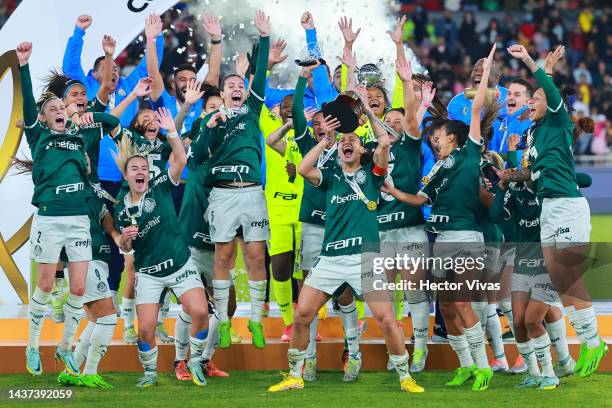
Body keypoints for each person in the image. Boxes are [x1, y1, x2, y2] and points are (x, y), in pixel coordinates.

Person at [269, 86, 424, 394]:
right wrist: (326, 139)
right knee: (302, 314)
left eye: (352, 140)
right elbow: (303, 168)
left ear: (362, 151)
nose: (347, 142)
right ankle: (295, 374)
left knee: (386, 319)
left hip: (362, 260)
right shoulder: (331, 177)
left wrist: (366, 110)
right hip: (330, 258)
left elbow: (383, 142)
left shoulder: (374, 175)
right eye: (344, 142)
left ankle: (405, 376)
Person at [384, 45, 499, 391]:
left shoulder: (469, 154)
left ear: (454, 137)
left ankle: (483, 367)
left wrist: (488, 65)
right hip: (442, 240)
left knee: (460, 303)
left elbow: (477, 107)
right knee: (447, 308)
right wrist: (392, 192)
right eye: (433, 138)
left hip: (465, 238)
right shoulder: (436, 168)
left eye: (439, 137)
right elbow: (420, 198)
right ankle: (465, 365)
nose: (434, 141)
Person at [502, 44, 608, 377]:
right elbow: (535, 173)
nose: (530, 103)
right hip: (549, 208)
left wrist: (533, 63)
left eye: (534, 99)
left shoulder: (558, 120)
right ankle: (578, 346)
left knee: (566, 274)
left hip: (566, 206)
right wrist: (510, 174)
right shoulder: (535, 134)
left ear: (551, 104)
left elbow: (547, 92)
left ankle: (593, 340)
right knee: (560, 281)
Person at [17, 41, 120, 377]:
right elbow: (29, 110)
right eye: (54, 107)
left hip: (78, 221)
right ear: (44, 117)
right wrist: (23, 65)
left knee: (77, 289)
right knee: (46, 285)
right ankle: (32, 345)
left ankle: (64, 347)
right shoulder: (38, 136)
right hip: (49, 218)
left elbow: (104, 112)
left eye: (64, 105)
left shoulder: (78, 137)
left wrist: (95, 117)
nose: (61, 109)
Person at [114, 107, 210, 387]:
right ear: (127, 176)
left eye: (144, 168)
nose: (141, 171)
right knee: (144, 330)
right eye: (135, 169)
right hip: (149, 273)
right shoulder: (122, 210)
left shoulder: (159, 186)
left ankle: (194, 362)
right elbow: (126, 246)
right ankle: (150, 374)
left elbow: (180, 158)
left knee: (201, 312)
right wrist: (127, 239)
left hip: (179, 265)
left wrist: (171, 131)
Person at [201, 10, 271, 349]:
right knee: (224, 259)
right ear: (223, 93)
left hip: (253, 194)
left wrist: (265, 37)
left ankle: (256, 320)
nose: (237, 88)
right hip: (223, 195)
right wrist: (208, 129)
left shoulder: (253, 111)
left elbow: (259, 80)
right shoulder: (212, 119)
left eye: (240, 85)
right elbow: (198, 157)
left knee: (257, 257)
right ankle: (225, 321)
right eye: (231, 86)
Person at [488, 78, 533, 157]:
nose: (510, 97)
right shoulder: (498, 124)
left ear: (528, 102)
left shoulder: (531, 125)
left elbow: (531, 155)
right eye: (509, 94)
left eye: (517, 95)